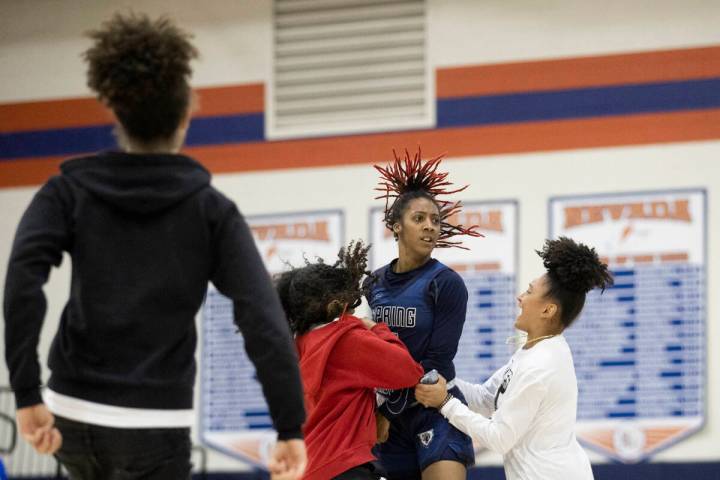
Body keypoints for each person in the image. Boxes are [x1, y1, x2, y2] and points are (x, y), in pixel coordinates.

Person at [3, 13, 305, 480]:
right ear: (186, 115)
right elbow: (262, 318)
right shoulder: (211, 211)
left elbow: (23, 282)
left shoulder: (67, 191)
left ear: (115, 111)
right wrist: (288, 426)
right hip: (156, 424)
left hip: (72, 414)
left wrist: (26, 394)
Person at [415, 237, 613, 480]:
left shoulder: (541, 365)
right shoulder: (535, 350)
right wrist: (442, 380)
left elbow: (499, 438)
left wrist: (445, 402)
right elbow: (487, 397)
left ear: (548, 310)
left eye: (529, 291)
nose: (520, 297)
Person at [366, 149, 481, 480]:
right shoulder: (372, 283)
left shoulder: (446, 283)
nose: (430, 227)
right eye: (419, 219)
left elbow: (439, 363)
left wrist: (387, 411)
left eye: (436, 220)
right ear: (395, 226)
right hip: (389, 414)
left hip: (434, 406)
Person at [275, 240, 424, 480]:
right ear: (335, 305)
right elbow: (408, 371)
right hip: (344, 465)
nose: (353, 313)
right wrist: (377, 329)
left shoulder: (296, 347)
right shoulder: (347, 339)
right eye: (350, 306)